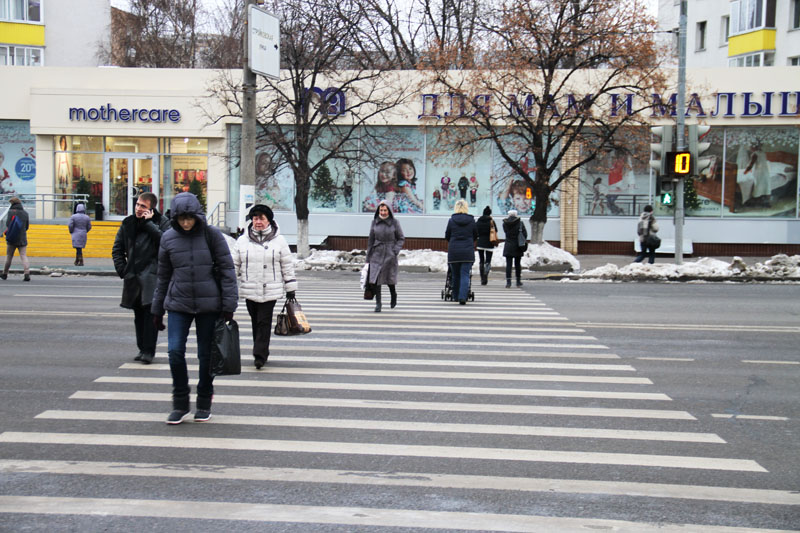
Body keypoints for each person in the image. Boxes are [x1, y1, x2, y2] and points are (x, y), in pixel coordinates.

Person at [151, 192, 238, 424]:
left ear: (197, 216)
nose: (186, 223)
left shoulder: (212, 236)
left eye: (190, 218)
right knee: (174, 352)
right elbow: (163, 276)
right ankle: (180, 403)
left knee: (205, 356)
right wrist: (157, 310)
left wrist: (229, 306)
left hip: (209, 306)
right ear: (176, 218)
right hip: (179, 304)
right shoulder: (168, 238)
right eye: (182, 219)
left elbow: (227, 271)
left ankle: (203, 401)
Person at [233, 204, 297, 370]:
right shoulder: (242, 240)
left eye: (261, 218)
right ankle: (260, 348)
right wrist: (229, 284)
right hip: (249, 288)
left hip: (270, 289)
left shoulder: (279, 240)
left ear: (269, 221)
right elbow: (234, 264)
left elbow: (287, 265)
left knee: (263, 321)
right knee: (255, 321)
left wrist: (290, 287)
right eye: (255, 218)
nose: (258, 222)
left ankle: (260, 354)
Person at [112, 192, 171, 364]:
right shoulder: (128, 223)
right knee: (138, 315)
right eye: (137, 205)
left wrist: (149, 224)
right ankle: (141, 348)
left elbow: (166, 242)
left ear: (151, 208)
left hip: (153, 277)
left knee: (150, 315)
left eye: (142, 206)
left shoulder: (162, 222)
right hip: (133, 277)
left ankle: (148, 351)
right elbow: (117, 249)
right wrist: (124, 270)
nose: (138, 208)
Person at [366, 201, 405, 312]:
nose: (383, 212)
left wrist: (395, 250)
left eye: (385, 210)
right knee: (376, 279)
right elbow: (371, 240)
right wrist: (368, 257)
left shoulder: (394, 223)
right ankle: (378, 303)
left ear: (389, 211)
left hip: (389, 253)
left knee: (389, 279)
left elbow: (401, 238)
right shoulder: (374, 222)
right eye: (381, 210)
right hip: (376, 253)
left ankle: (393, 294)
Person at [445, 199, 478, 304]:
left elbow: (447, 235)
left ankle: (455, 295)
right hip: (467, 251)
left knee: (455, 275)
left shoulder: (451, 220)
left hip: (454, 251)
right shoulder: (471, 221)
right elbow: (475, 235)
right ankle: (462, 297)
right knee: (465, 274)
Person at [1, 197, 30, 281]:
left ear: (12, 204)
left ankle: (5, 273)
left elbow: (8, 224)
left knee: (9, 256)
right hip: (22, 238)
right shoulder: (25, 213)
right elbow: (26, 227)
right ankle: (27, 273)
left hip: (12, 238)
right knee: (23, 256)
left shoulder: (11, 212)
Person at [502, 208, 527, 288]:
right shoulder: (520, 223)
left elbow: (506, 232)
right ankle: (518, 281)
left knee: (508, 264)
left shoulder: (505, 223)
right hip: (518, 246)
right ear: (516, 215)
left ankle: (508, 282)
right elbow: (525, 234)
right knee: (517, 264)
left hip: (508, 245)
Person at [475, 206, 497, 285]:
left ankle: (482, 277)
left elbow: (475, 230)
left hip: (480, 242)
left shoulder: (479, 221)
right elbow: (495, 230)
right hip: (489, 243)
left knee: (481, 260)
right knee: (488, 261)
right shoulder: (491, 221)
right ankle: (485, 275)